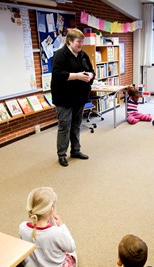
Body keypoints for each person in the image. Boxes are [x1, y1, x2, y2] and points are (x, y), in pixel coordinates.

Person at [19, 187, 97, 267]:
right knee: (71, 254)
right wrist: (61, 225)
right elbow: (71, 246)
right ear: (51, 210)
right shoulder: (56, 232)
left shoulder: (22, 227)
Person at [50, 28, 95, 167]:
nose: (81, 45)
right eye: (78, 42)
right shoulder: (60, 55)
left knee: (76, 125)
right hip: (64, 98)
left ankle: (75, 150)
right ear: (69, 41)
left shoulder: (82, 55)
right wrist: (77, 76)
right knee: (65, 126)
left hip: (79, 97)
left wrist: (90, 76)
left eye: (82, 42)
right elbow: (58, 75)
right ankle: (62, 154)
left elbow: (91, 70)